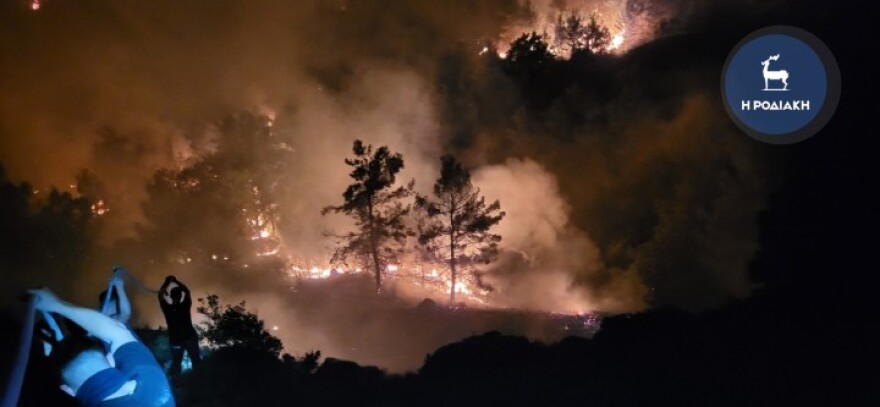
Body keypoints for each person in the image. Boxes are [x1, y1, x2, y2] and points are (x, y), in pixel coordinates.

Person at [28, 288, 175, 407]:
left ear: (68, 391)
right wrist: (55, 304)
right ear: (110, 359)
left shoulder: (98, 327)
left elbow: (123, 315)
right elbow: (118, 332)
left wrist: (118, 284)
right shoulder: (152, 381)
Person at [158, 275, 200, 374]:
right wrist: (175, 282)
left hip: (180, 339)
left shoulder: (169, 308)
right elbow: (187, 291)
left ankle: (180, 379)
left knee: (178, 363)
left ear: (171, 296)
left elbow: (160, 295)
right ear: (180, 296)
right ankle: (197, 378)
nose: (176, 298)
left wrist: (167, 283)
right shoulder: (184, 306)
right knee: (193, 361)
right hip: (187, 338)